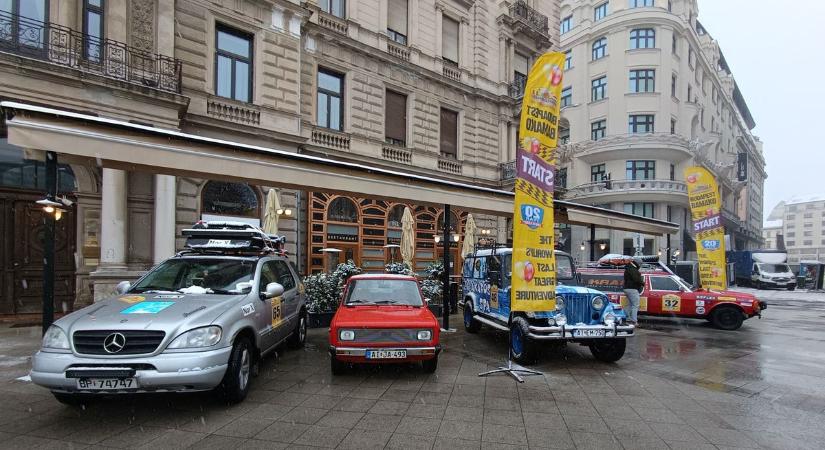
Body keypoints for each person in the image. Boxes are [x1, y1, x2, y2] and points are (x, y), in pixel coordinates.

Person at [623, 258, 644, 325]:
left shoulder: (629, 268)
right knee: (635, 305)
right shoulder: (633, 269)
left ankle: (627, 319)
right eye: (640, 264)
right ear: (637, 263)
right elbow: (636, 279)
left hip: (627, 288)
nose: (640, 265)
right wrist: (642, 283)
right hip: (632, 289)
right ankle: (634, 321)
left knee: (629, 305)